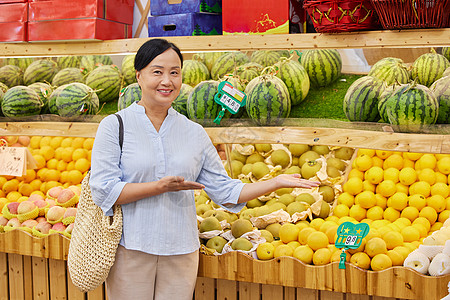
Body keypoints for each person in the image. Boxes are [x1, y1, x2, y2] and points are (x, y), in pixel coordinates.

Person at [89, 38, 320, 300]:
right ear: (139, 76)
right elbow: (103, 189)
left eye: (174, 73)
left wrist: (275, 182)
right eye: (158, 72)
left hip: (181, 250)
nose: (167, 81)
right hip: (130, 247)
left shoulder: (193, 132)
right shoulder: (115, 125)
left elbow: (225, 190)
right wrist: (159, 187)